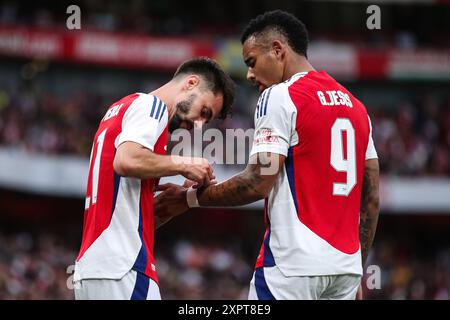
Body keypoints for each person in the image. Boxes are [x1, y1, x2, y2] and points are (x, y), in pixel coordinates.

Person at [154, 10, 380, 300]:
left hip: (294, 267)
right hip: (345, 272)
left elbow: (256, 182)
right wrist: (356, 270)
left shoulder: (280, 96)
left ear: (277, 50)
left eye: (251, 62)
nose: (249, 74)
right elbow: (371, 199)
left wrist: (189, 198)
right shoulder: (357, 107)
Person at [73, 57, 235, 300]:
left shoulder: (121, 109)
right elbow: (126, 161)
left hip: (94, 269)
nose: (199, 125)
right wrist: (184, 163)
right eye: (203, 112)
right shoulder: (152, 106)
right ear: (191, 83)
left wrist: (176, 203)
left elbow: (131, 215)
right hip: (124, 267)